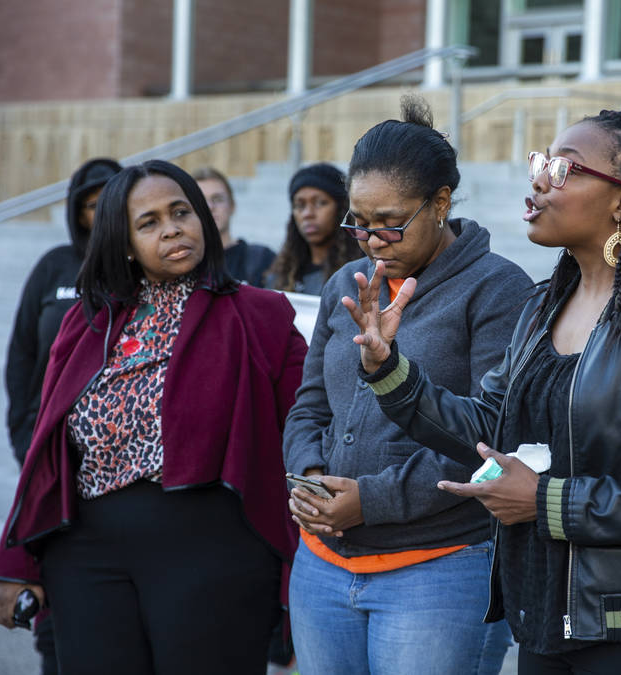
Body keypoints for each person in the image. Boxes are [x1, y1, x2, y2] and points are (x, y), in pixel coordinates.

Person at [341, 100, 621, 674]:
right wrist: (388, 370)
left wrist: (543, 501)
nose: (538, 180)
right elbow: (488, 426)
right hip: (544, 612)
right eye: (541, 162)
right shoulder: (541, 307)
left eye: (564, 168)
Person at [0, 160, 308, 675]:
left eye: (181, 212)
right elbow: (48, 450)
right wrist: (16, 560)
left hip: (213, 552)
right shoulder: (87, 323)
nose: (172, 229)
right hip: (86, 555)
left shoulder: (260, 314)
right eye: (150, 222)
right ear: (124, 243)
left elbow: (303, 431)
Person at [283, 97, 531, 674]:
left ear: (440, 203)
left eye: (389, 222)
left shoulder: (497, 290)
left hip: (438, 568)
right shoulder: (347, 283)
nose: (371, 240)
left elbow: (492, 440)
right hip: (323, 562)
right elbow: (310, 404)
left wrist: (370, 501)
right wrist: (312, 480)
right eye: (359, 223)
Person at [3, 156, 122, 675]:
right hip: (48, 457)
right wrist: (25, 440)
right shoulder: (53, 267)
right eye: (89, 206)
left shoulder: (134, 273)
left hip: (114, 468)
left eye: (108, 205)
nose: (98, 216)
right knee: (55, 611)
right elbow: (22, 357)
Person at [265, 162, 363, 294]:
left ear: (341, 208)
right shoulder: (282, 275)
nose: (307, 214)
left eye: (320, 203)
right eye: (300, 205)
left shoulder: (361, 271)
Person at [192, 166, 276, 286]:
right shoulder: (183, 264)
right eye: (201, 201)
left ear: (232, 206)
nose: (210, 207)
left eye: (218, 199)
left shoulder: (262, 259)